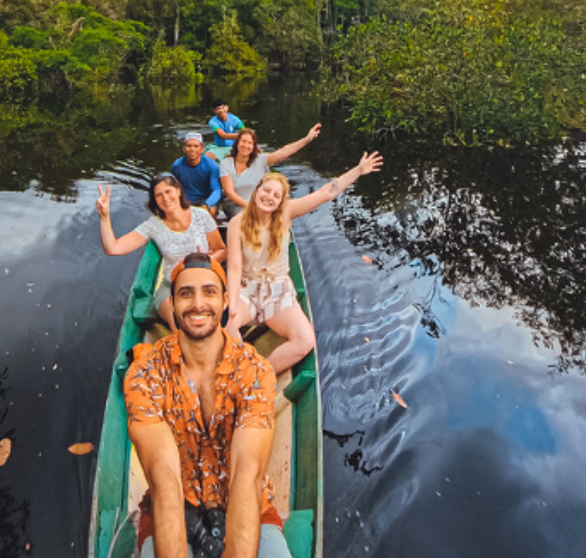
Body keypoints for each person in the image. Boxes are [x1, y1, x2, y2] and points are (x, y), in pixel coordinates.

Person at [125, 252, 290, 558]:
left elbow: (247, 470)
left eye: (209, 292)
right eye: (185, 293)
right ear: (171, 304)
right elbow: (164, 477)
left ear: (226, 301)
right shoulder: (145, 374)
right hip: (172, 505)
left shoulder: (254, 370)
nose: (198, 304)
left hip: (242, 501)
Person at [229, 153, 383, 376]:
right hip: (248, 288)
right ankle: (242, 369)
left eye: (276, 195)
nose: (269, 197)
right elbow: (234, 268)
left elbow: (326, 192)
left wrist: (357, 171)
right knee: (226, 324)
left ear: (281, 201)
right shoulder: (237, 223)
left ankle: (259, 376)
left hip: (277, 289)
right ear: (256, 191)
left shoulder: (285, 214)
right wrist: (232, 303)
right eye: (266, 190)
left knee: (305, 340)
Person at [97, 175, 240, 330]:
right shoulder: (153, 226)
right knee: (181, 325)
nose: (165, 198)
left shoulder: (201, 216)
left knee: (215, 321)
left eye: (168, 191)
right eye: (159, 195)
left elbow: (221, 250)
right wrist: (104, 216)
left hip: (203, 282)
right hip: (171, 287)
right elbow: (113, 248)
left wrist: (198, 265)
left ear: (178, 191)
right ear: (155, 200)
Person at [217, 123, 322, 221]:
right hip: (236, 205)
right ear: (237, 143)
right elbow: (230, 193)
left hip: (260, 203)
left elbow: (283, 152)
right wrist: (249, 207)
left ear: (253, 147)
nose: (246, 145)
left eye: (250, 143)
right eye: (243, 141)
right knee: (245, 220)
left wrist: (307, 139)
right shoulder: (226, 163)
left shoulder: (260, 160)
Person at [169, 132, 222, 210]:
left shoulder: (211, 165)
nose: (192, 149)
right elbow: (172, 187)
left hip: (204, 200)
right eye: (189, 146)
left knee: (212, 209)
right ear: (184, 149)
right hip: (185, 200)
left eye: (196, 146)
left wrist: (208, 204)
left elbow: (216, 189)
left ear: (202, 149)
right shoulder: (176, 166)